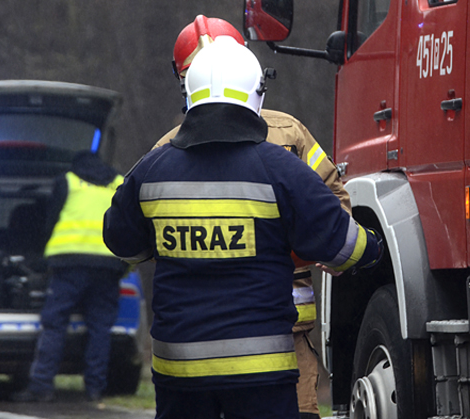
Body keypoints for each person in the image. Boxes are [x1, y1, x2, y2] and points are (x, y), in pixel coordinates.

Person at [103, 36, 382, 419]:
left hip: (178, 373)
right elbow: (344, 246)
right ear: (257, 94)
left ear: (189, 93)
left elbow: (122, 244)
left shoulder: (151, 169)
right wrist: (374, 248)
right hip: (261, 373)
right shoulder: (282, 169)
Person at [155, 15, 354, 419]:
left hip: (191, 341)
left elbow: (132, 236)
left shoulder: (164, 152)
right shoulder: (288, 135)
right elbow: (337, 212)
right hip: (279, 337)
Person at [12, 150, 128, 403]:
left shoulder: (68, 180)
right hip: (108, 264)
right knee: (100, 328)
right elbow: (130, 225)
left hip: (69, 263)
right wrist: (124, 266)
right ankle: (94, 390)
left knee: (55, 323)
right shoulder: (120, 182)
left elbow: (51, 220)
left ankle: (41, 386)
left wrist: (42, 257)